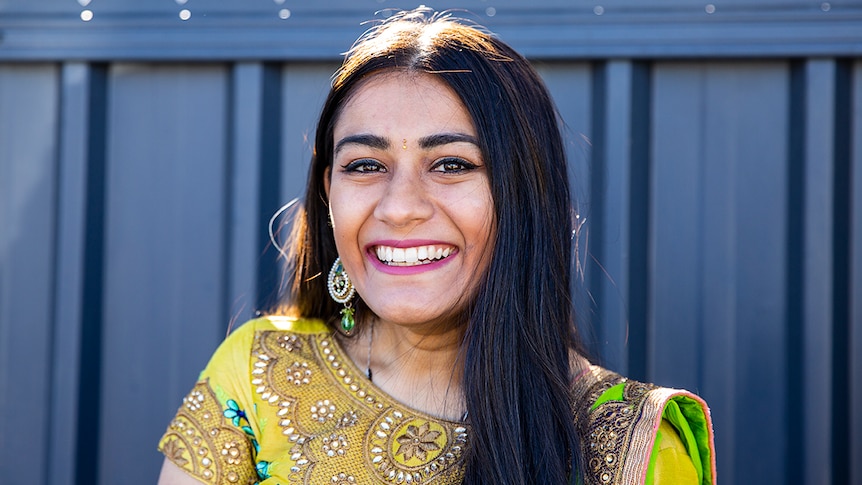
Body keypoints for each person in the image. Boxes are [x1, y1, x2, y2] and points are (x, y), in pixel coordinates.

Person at [157, 8, 715, 485]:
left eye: (452, 164)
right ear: (328, 192)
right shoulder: (258, 373)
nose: (400, 207)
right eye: (365, 165)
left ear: (525, 197)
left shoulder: (628, 444)